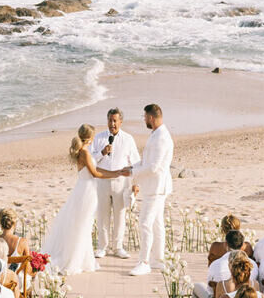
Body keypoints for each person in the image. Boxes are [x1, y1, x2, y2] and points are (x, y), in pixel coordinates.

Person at [42, 125, 130, 275]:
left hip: (84, 189)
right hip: (87, 192)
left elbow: (94, 169)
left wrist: (116, 172)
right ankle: (76, 260)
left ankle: (83, 258)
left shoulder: (84, 152)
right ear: (90, 137)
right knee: (83, 225)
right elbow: (95, 173)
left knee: (84, 225)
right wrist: (116, 174)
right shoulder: (84, 152)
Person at [130, 104, 174, 276]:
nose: (144, 120)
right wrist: (131, 168)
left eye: (144, 117)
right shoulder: (157, 134)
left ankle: (144, 261)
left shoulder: (162, 137)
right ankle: (158, 260)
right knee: (156, 224)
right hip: (155, 186)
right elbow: (147, 161)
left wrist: (133, 172)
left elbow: (154, 167)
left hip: (156, 187)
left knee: (145, 223)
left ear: (151, 117)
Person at [91, 108, 140, 260]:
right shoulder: (99, 138)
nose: (112, 124)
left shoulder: (128, 139)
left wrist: (135, 183)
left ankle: (118, 247)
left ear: (120, 122)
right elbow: (90, 160)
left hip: (121, 181)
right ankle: (102, 247)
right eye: (110, 120)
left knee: (120, 214)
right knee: (103, 215)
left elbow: (136, 162)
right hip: (102, 180)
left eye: (115, 121)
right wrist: (102, 153)